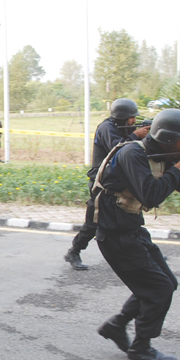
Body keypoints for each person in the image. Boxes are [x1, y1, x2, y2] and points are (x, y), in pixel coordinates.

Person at [94, 108, 180, 360]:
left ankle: (116, 325)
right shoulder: (132, 153)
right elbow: (151, 196)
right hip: (114, 234)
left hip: (131, 229)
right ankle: (140, 350)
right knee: (159, 289)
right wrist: (178, 168)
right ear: (167, 138)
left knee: (166, 282)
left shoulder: (162, 156)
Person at [64, 98, 150, 270]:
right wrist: (136, 135)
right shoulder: (106, 128)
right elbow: (117, 149)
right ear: (122, 116)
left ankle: (148, 252)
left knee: (133, 218)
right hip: (101, 183)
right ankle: (74, 251)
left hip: (118, 182)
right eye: (132, 117)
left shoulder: (122, 127)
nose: (134, 121)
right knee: (94, 222)